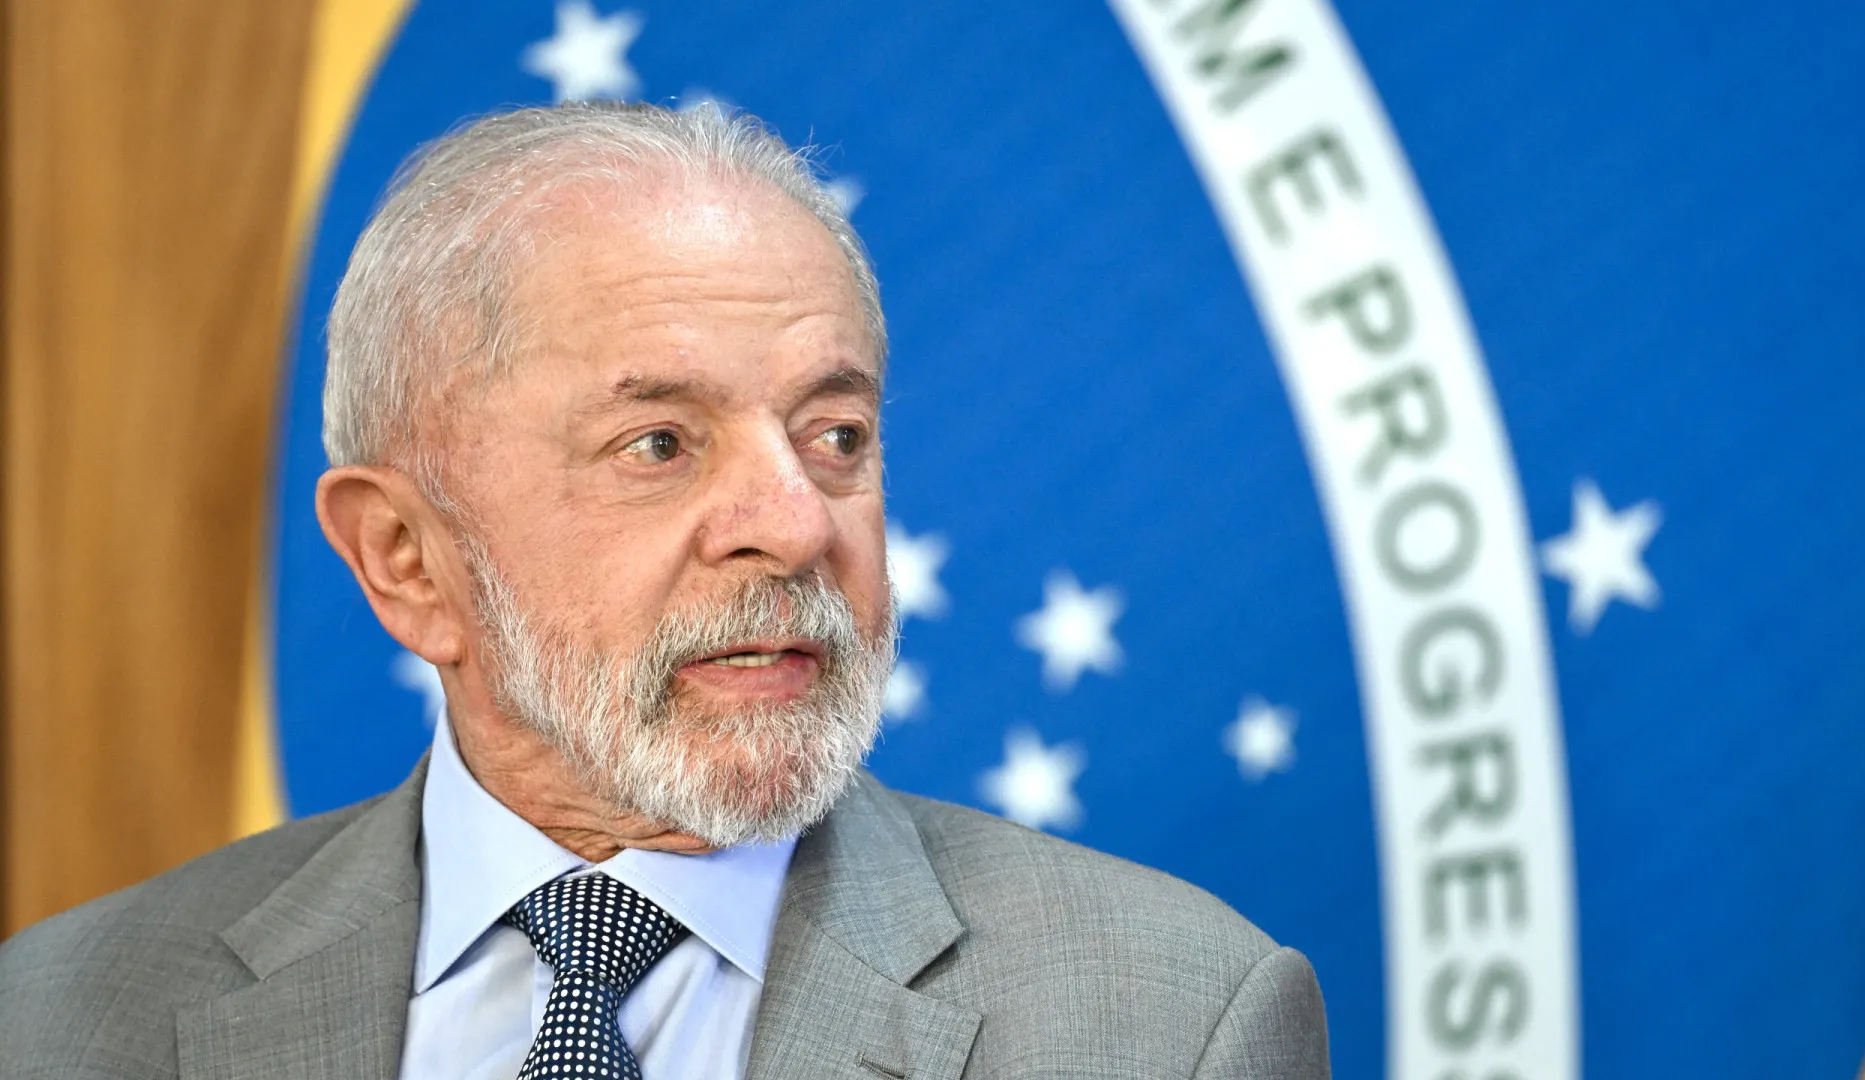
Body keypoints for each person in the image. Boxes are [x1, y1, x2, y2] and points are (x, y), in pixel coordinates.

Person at [0, 101, 1330, 1080]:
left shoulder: (1173, 1024)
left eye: (836, 436)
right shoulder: (51, 1020)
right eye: (659, 445)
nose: (794, 525)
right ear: (405, 557)